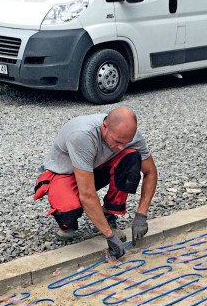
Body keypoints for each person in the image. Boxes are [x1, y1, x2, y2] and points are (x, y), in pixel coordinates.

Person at [34, 108, 158, 260]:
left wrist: (141, 214)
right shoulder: (82, 136)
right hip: (64, 174)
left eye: (125, 142)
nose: (121, 147)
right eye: (118, 141)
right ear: (104, 127)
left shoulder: (130, 136)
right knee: (69, 210)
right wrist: (109, 236)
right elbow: (87, 194)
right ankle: (67, 223)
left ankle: (108, 214)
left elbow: (150, 172)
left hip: (94, 168)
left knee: (131, 158)